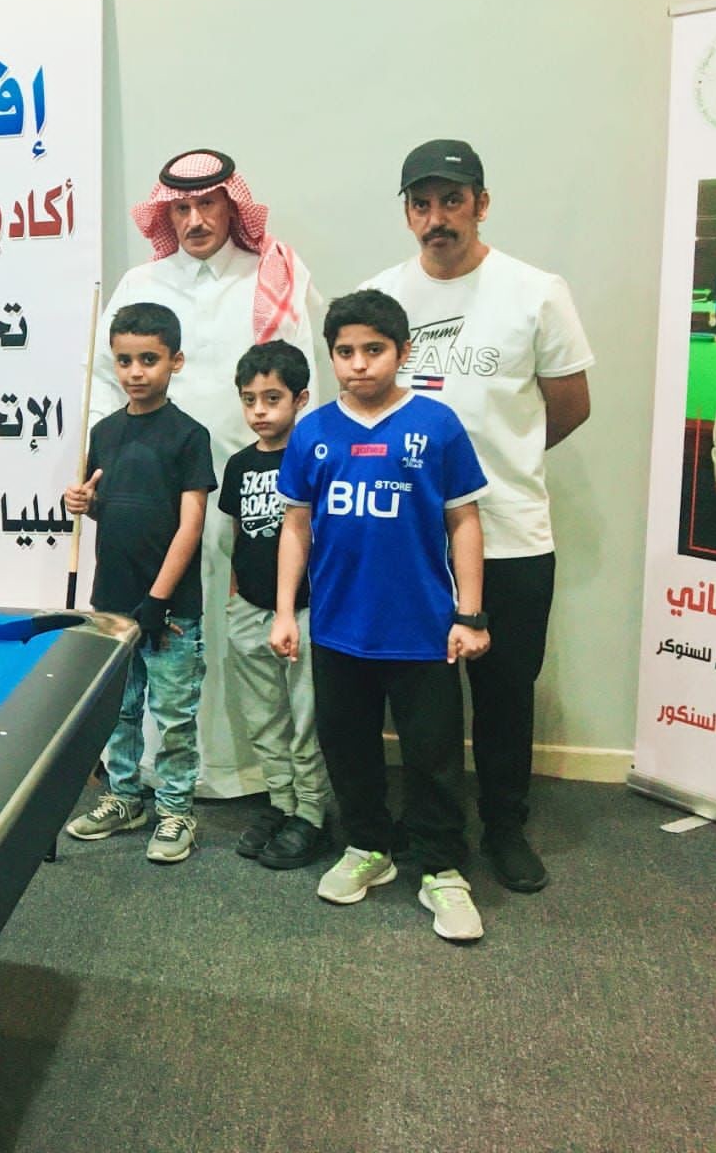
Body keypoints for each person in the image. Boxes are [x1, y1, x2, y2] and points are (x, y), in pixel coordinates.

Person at [359, 140, 593, 893]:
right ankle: (431, 824)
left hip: (511, 533)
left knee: (503, 692)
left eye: (452, 201)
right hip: (409, 542)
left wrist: (489, 468)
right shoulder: (380, 296)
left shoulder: (535, 292)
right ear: (407, 213)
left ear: (481, 204)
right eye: (422, 204)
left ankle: (504, 827)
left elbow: (569, 406)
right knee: (418, 696)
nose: (438, 218)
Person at [91, 149, 321, 797]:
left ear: (231, 205)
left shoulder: (271, 275)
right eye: (181, 208)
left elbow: (304, 385)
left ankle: (253, 771)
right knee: (165, 627)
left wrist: (298, 482)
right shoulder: (140, 286)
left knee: (243, 624)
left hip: (255, 491)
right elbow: (104, 389)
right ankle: (156, 775)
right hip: (156, 495)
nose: (194, 219)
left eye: (208, 204)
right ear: (166, 214)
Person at [272, 290, 491, 942]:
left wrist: (470, 614)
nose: (359, 363)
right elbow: (295, 526)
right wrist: (285, 612)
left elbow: (464, 520)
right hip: (339, 628)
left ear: (404, 352)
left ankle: (442, 869)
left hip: (422, 630)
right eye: (345, 352)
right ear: (331, 356)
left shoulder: (437, 425)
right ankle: (368, 846)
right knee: (348, 749)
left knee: (433, 757)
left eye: (374, 349)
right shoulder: (312, 431)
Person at [64, 302, 217, 863]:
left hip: (169, 610)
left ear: (175, 361)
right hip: (112, 604)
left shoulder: (189, 435)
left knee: (173, 716)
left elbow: (190, 525)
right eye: (124, 360)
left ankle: (176, 810)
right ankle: (124, 797)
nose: (135, 372)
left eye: (149, 359)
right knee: (119, 711)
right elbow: (110, 507)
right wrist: (82, 503)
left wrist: (157, 599)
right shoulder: (104, 432)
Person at [219, 339, 331, 869]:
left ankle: (312, 812)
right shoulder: (240, 465)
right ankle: (281, 802)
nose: (259, 411)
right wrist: (235, 597)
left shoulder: (314, 457)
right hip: (250, 609)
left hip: (306, 611)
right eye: (249, 400)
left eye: (272, 399)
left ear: (300, 399)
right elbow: (236, 536)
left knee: (306, 719)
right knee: (264, 718)